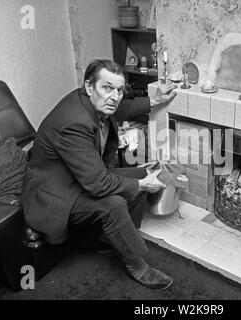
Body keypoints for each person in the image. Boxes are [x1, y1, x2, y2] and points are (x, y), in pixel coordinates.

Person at [21, 59, 177, 290]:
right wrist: (141, 185)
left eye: (119, 90)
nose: (114, 96)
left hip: (78, 178)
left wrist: (156, 99)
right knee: (113, 203)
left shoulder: (95, 102)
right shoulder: (75, 122)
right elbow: (97, 184)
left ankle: (108, 240)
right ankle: (137, 265)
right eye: (107, 88)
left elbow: (123, 108)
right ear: (89, 86)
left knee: (143, 172)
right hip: (54, 194)